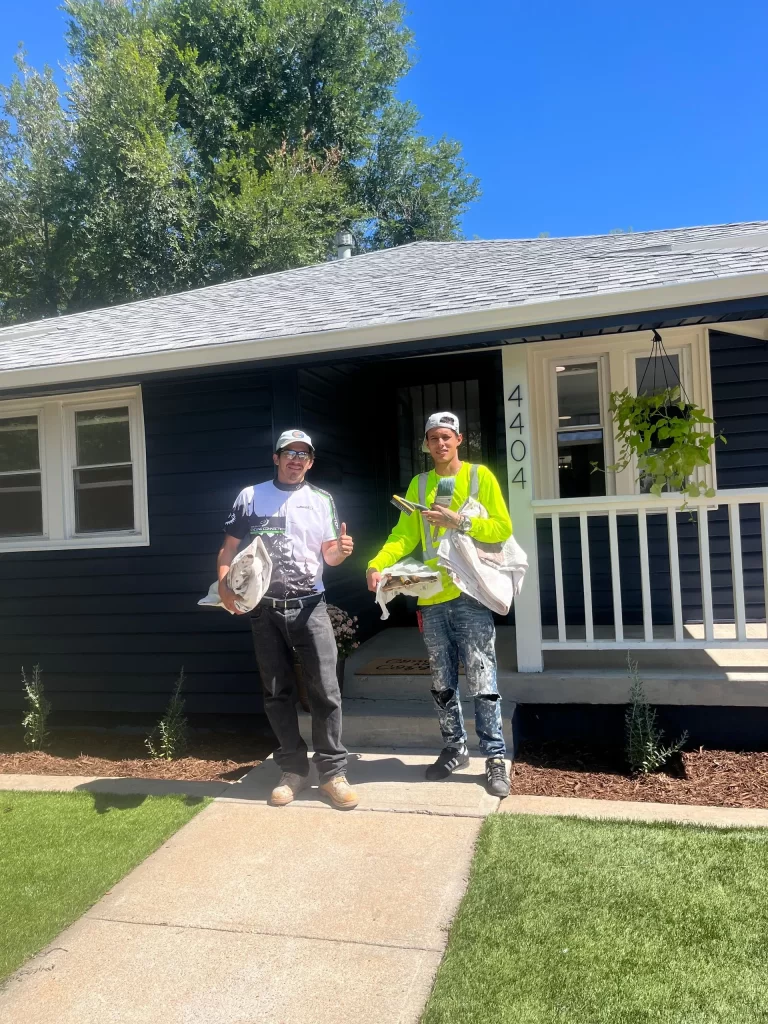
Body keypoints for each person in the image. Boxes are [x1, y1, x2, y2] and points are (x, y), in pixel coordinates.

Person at [366, 413, 513, 797]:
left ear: (459, 439)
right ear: (427, 444)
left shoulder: (480, 477)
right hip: (431, 597)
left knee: (482, 678)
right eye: (433, 438)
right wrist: (378, 563)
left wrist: (460, 521)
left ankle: (495, 757)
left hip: (471, 593)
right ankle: (454, 749)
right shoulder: (419, 484)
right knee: (441, 681)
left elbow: (502, 528)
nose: (440, 443)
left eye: (446, 436)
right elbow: (404, 534)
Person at [217, 429, 358, 810]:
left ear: (310, 462)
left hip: (310, 606)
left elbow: (329, 556)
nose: (296, 460)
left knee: (325, 689)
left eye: (303, 454)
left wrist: (341, 551)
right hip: (263, 609)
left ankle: (332, 774)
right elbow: (229, 547)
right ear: (276, 458)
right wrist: (225, 586)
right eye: (289, 453)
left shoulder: (321, 500)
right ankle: (293, 770)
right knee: (277, 692)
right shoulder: (250, 496)